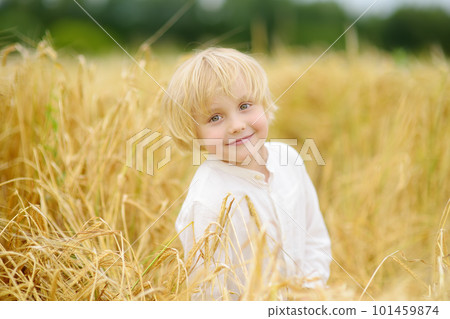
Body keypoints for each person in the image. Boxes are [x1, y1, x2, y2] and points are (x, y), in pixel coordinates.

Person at [161, 47, 331, 300]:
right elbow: (208, 289)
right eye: (215, 117)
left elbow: (314, 237)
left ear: (264, 103)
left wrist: (308, 290)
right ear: (193, 132)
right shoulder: (208, 198)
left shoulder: (290, 161)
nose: (238, 125)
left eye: (245, 105)